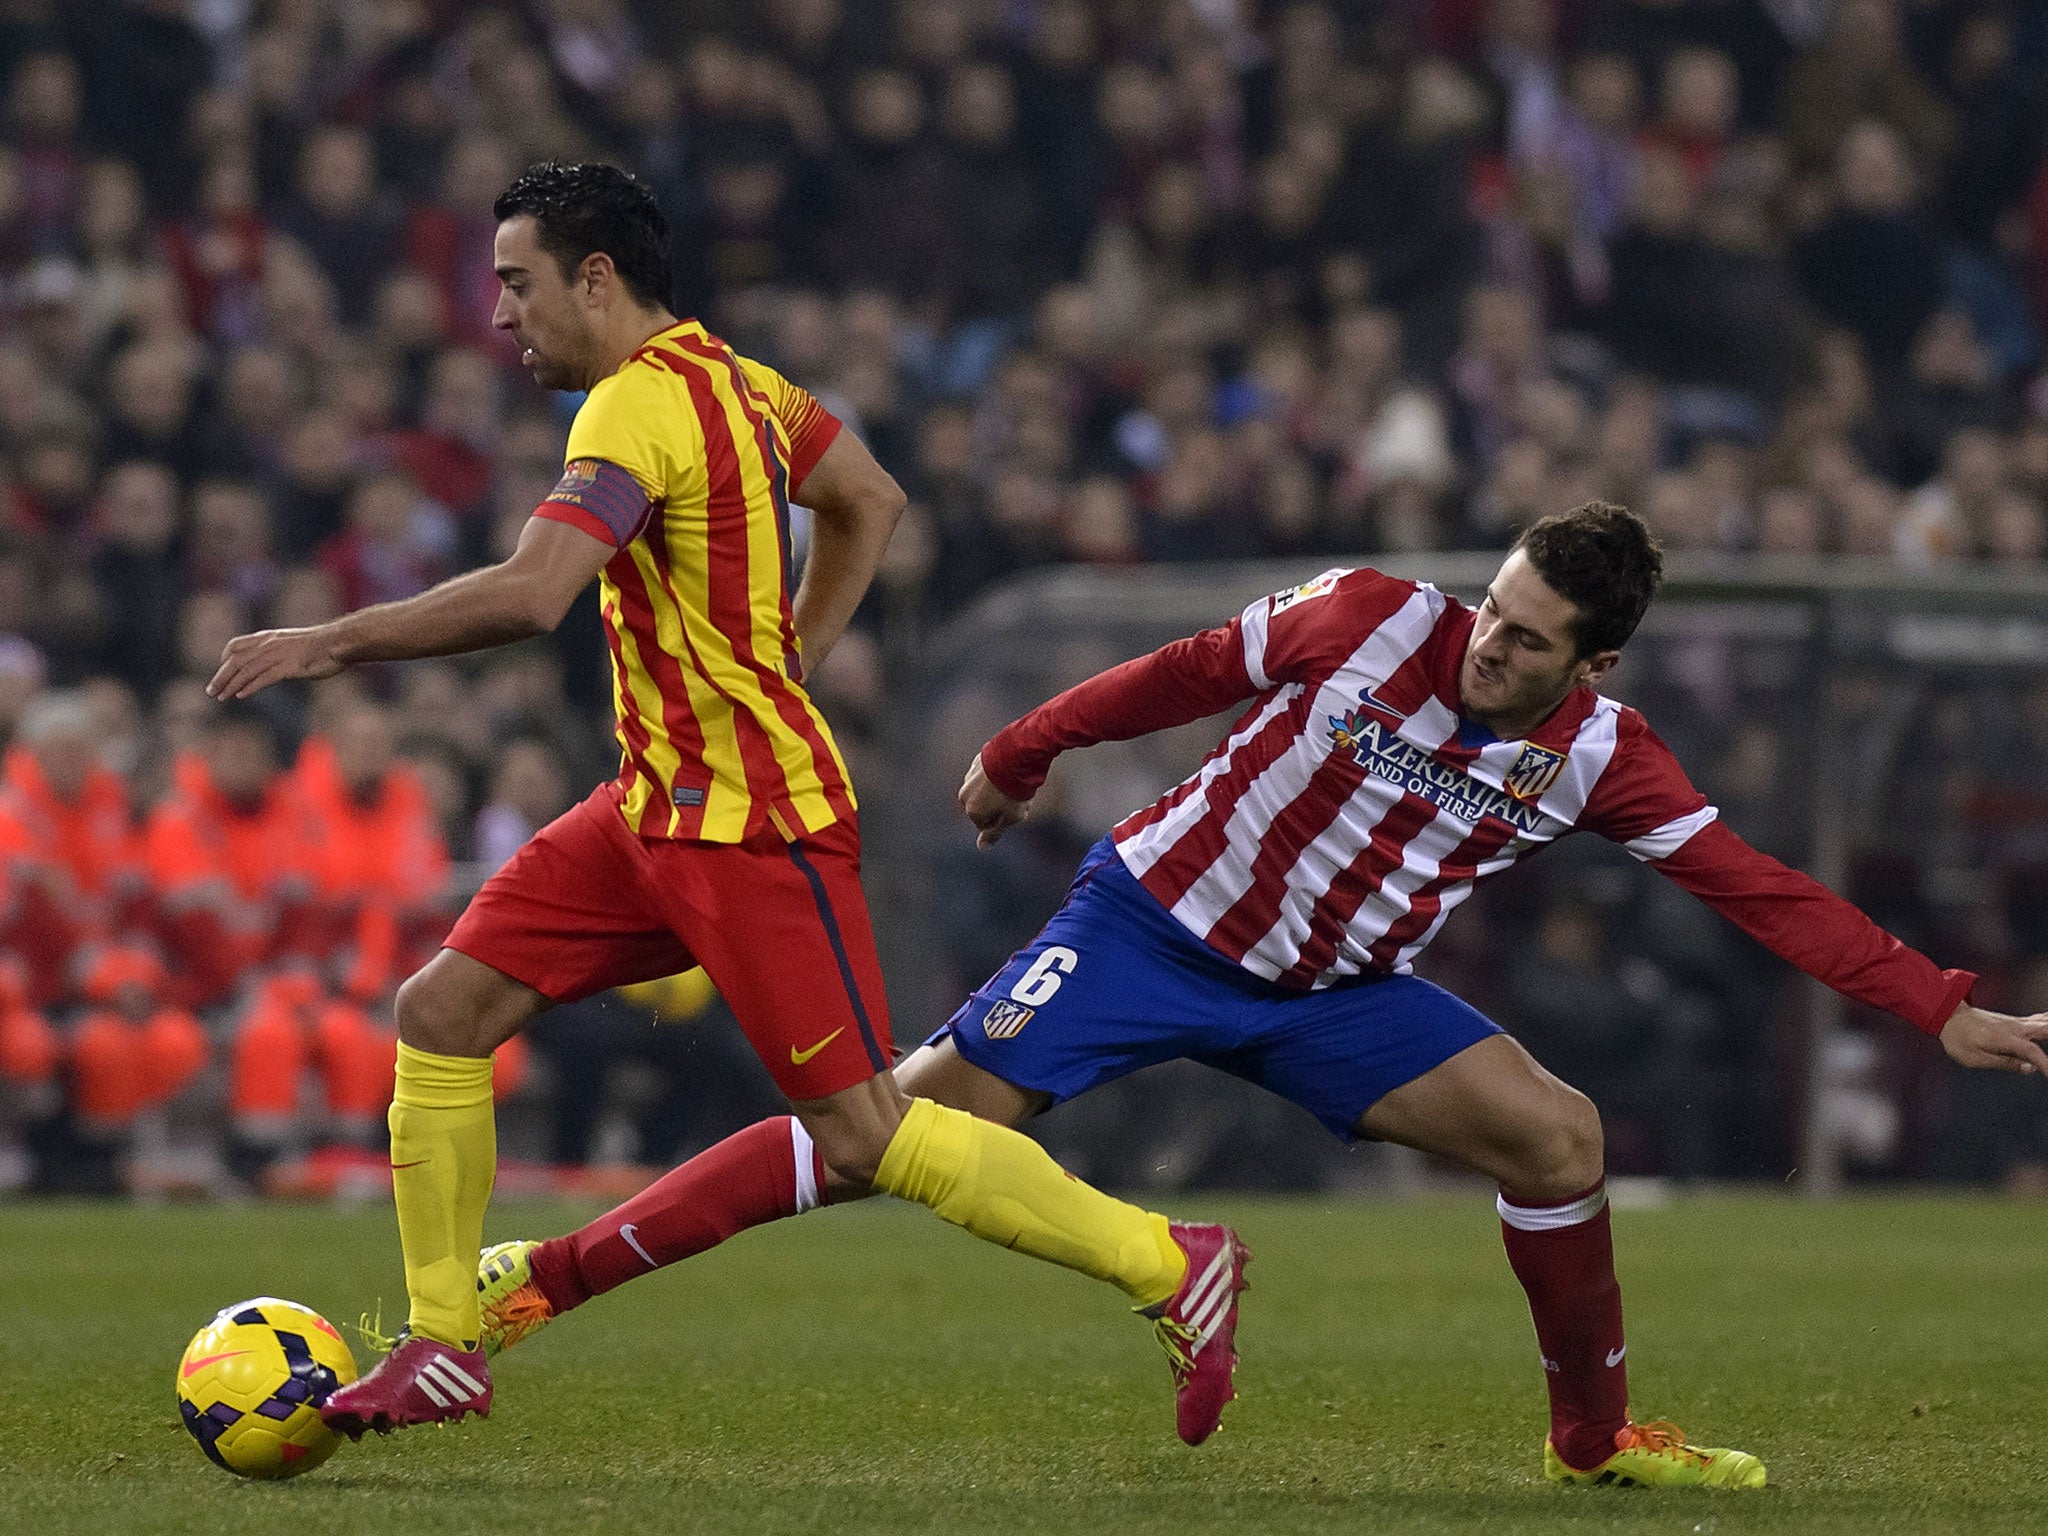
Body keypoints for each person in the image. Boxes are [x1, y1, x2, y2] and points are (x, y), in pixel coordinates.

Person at [472, 502, 2048, 1490]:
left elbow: (1761, 888)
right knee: (880, 1128)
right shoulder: (1369, 616)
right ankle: (544, 1278)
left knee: (1561, 1142)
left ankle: (1595, 1442)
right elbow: (1179, 676)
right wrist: (1025, 750)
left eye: (1531, 641)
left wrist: (1939, 1008)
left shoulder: (1601, 762)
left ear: (1601, 665)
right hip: (1154, 924)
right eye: (1494, 609)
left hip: (1339, 995)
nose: (1491, 645)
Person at [207, 161, 1245, 1444]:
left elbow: (536, 594)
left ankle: (1168, 1261)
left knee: (866, 1133)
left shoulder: (631, 410)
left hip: (753, 819)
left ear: (596, 279)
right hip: (648, 808)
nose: (499, 316)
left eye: (517, 283)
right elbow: (869, 494)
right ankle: (440, 1345)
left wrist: (331, 642)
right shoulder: (738, 382)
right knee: (442, 1009)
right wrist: (791, 649)